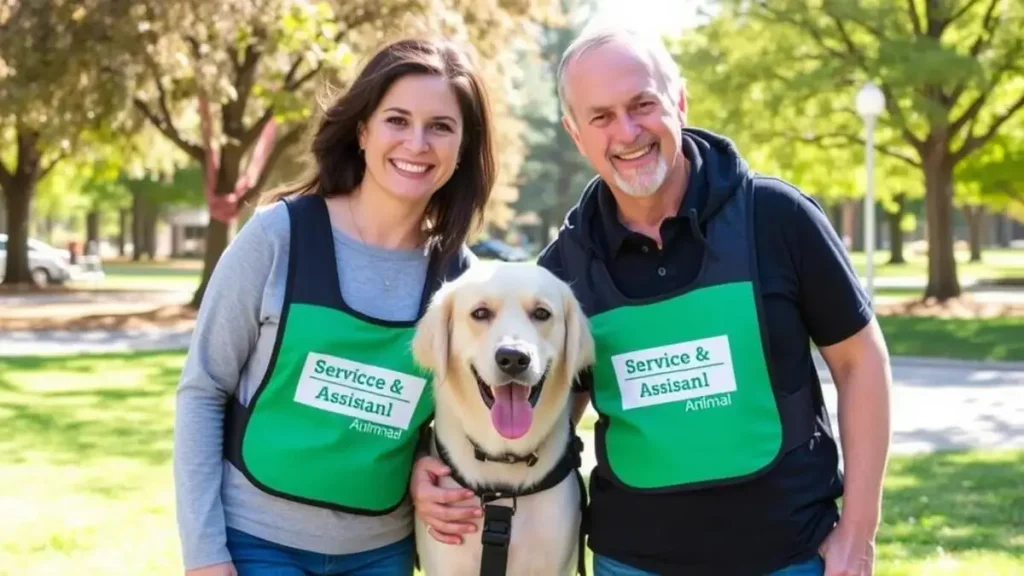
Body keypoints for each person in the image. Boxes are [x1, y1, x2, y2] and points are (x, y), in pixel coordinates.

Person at [411, 25, 893, 576]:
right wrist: (432, 471)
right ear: (575, 132)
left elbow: (862, 364)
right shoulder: (559, 274)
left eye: (643, 105)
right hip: (632, 561)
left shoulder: (777, 219)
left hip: (788, 556)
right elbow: (536, 414)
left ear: (680, 102)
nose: (628, 131)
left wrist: (857, 534)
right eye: (601, 117)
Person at [173, 37, 495, 576]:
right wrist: (205, 555)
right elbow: (203, 391)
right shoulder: (278, 237)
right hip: (255, 544)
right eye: (397, 119)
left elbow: (448, 425)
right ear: (363, 130)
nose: (417, 143)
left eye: (441, 126)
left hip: (381, 553)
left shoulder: (464, 281)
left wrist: (422, 467)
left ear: (462, 147)